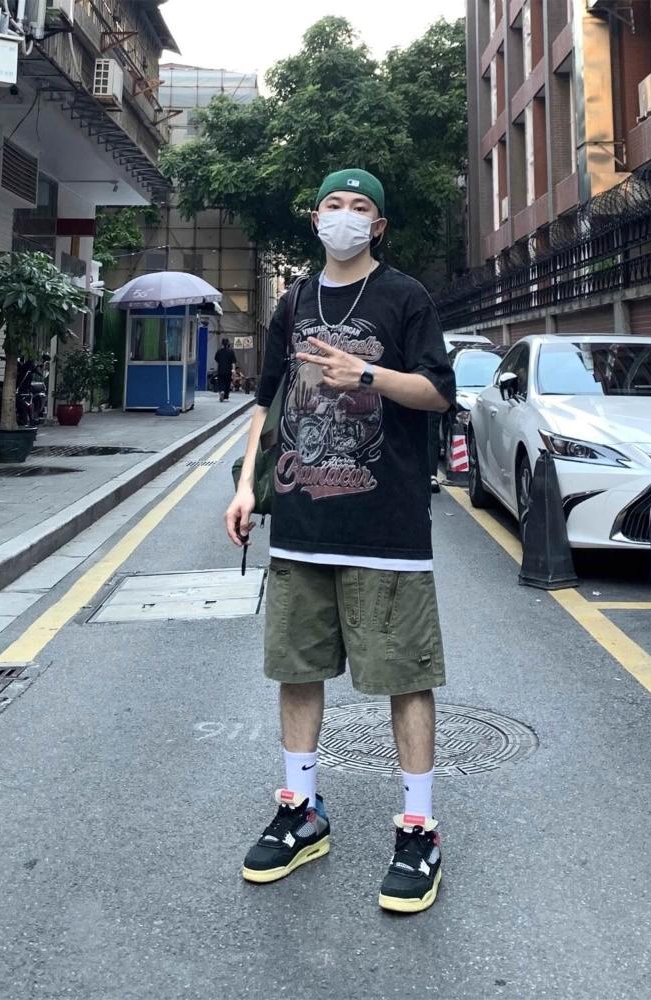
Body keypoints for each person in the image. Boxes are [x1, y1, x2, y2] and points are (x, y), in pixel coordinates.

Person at [225, 168, 455, 913]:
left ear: (378, 226)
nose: (346, 216)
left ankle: (418, 828)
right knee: (297, 670)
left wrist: (366, 374)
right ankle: (301, 810)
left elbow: (438, 391)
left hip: (386, 530)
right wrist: (246, 484)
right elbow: (267, 400)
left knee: (405, 677)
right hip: (301, 527)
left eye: (361, 207)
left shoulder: (405, 297)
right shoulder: (293, 302)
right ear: (315, 218)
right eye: (334, 204)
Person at [214, 337, 237, 401]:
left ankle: (222, 391)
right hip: (228, 370)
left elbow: (216, 359)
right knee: (227, 382)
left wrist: (221, 362)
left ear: (222, 343)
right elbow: (233, 362)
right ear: (228, 343)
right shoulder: (231, 352)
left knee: (221, 382)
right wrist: (233, 370)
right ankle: (225, 396)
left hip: (221, 370)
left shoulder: (219, 351)